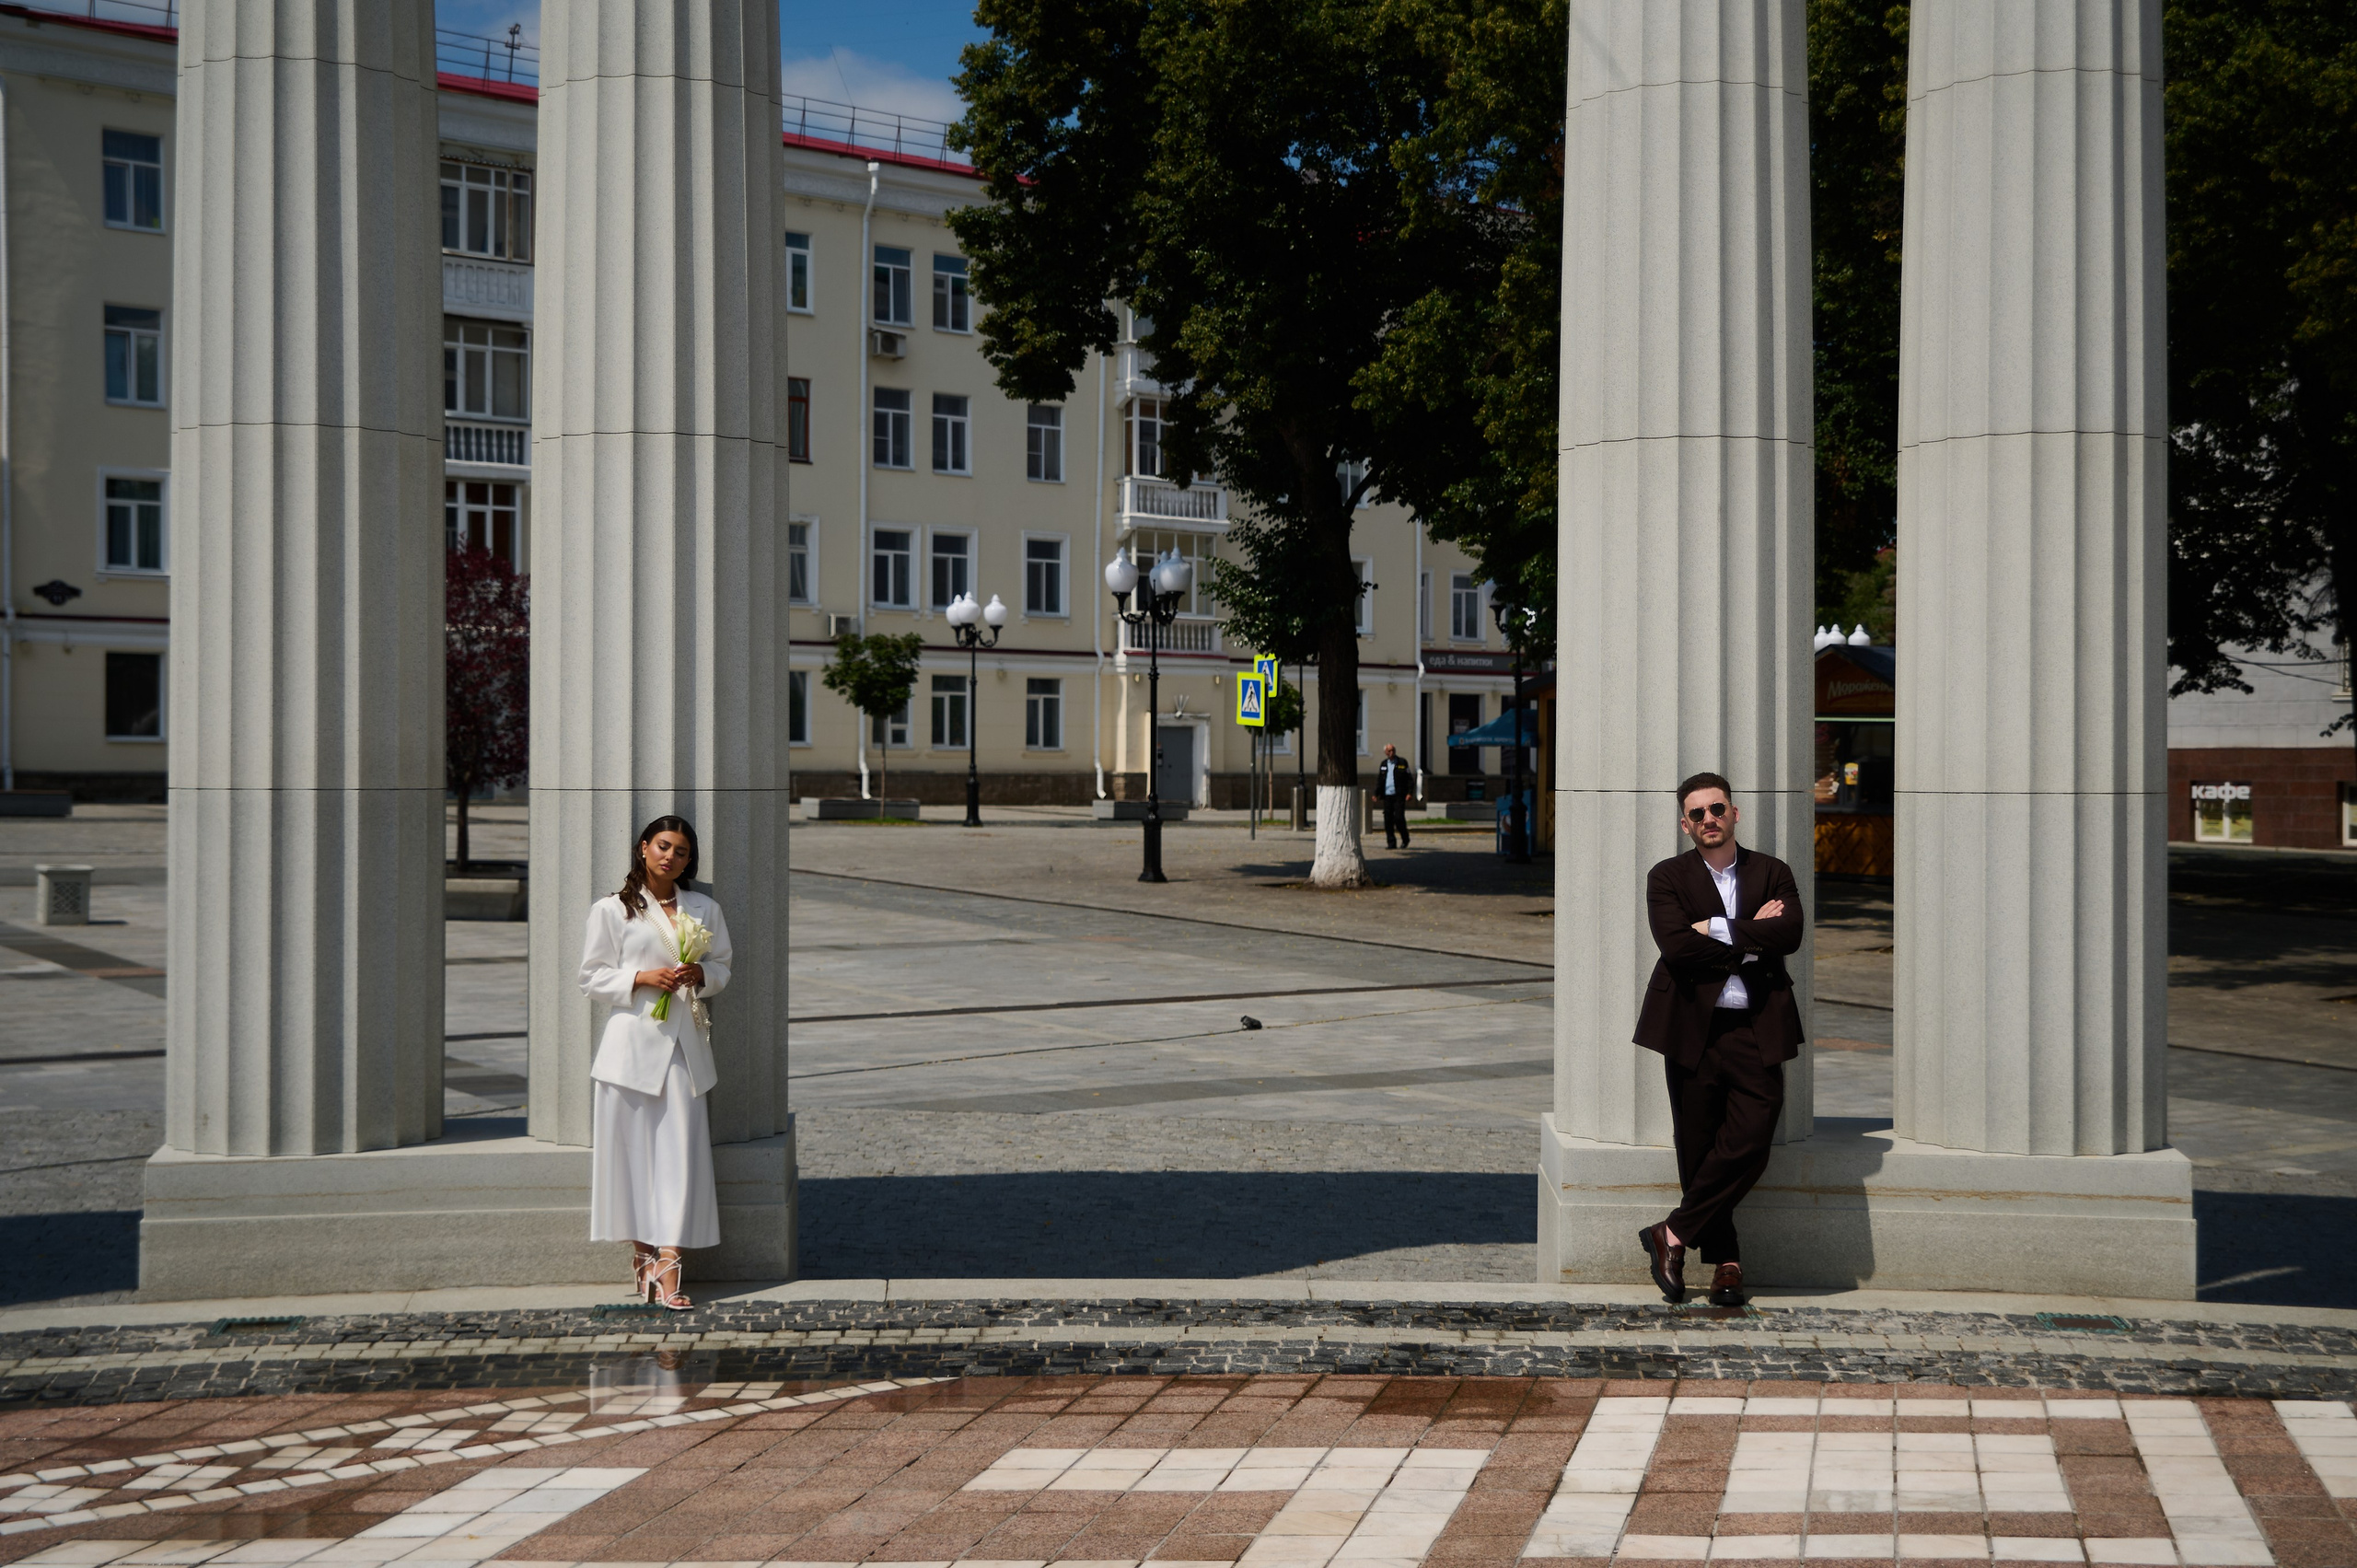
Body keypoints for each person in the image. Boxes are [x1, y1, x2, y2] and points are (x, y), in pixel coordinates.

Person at [1631, 772, 1805, 1307]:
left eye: (1717, 809)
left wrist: (1716, 927)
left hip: (1757, 1027)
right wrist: (1752, 935)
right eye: (1697, 813)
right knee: (1699, 1147)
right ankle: (1727, 1264)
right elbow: (1678, 949)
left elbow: (1790, 935)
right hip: (1692, 1029)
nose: (1709, 819)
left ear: (1735, 814)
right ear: (1685, 825)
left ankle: (1672, 1233)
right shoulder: (1667, 876)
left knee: (1751, 1142)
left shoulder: (1772, 871)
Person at [579, 815, 734, 1311]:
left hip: (683, 1049)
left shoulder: (704, 908)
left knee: (681, 1158)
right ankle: (643, 1256)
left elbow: (723, 967)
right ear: (644, 847)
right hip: (628, 1053)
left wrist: (700, 974)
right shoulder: (612, 910)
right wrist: (641, 977)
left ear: (689, 861)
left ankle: (670, 1263)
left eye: (681, 852)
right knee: (631, 1161)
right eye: (663, 846)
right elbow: (590, 977)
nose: (671, 857)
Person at [1376, 743, 1415, 849]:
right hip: (1387, 796)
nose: (1391, 752)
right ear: (1385, 752)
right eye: (1389, 751)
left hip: (1399, 796)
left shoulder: (1402, 762)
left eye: (1393, 750)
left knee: (1399, 818)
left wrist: (1409, 793)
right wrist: (1376, 793)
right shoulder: (1384, 764)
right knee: (1388, 820)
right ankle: (1391, 843)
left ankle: (1405, 839)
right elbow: (1380, 780)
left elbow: (1409, 779)